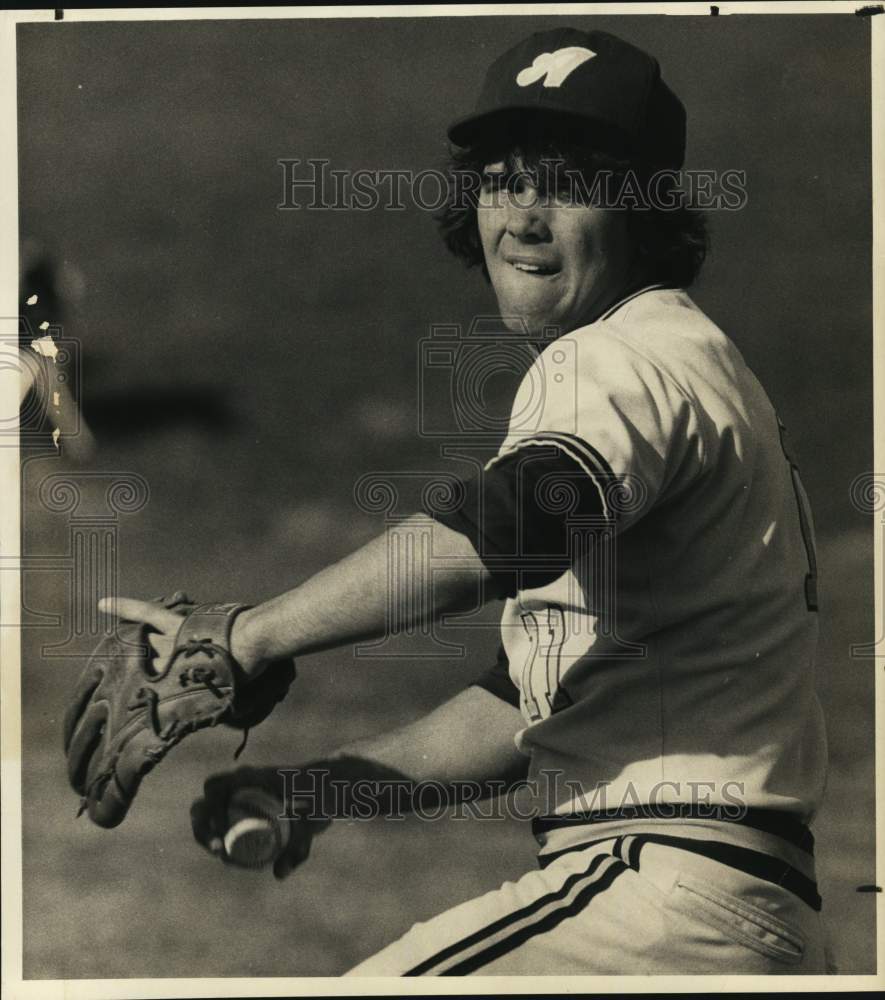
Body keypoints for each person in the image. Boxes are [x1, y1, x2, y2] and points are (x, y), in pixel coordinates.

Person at [100, 27, 830, 975]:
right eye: (502, 181)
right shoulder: (689, 361)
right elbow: (525, 705)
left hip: (658, 897)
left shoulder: (617, 359)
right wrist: (323, 791)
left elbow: (509, 527)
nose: (523, 218)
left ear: (644, 211)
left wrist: (247, 637)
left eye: (566, 184)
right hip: (737, 910)